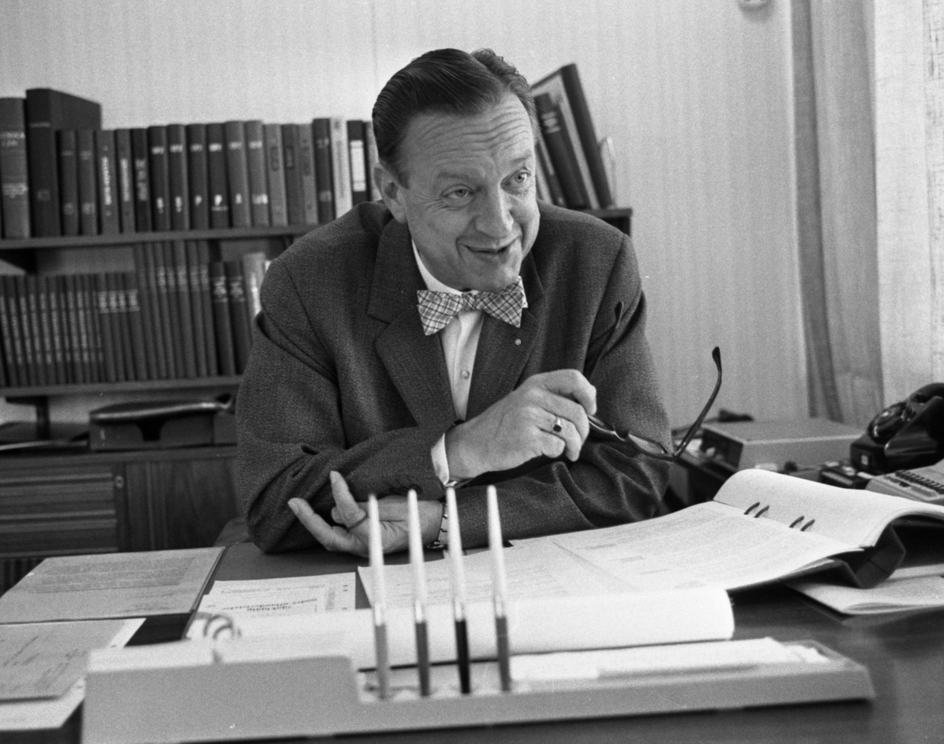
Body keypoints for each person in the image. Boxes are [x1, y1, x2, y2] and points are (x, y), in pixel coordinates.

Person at [235, 47, 670, 555]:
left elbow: (637, 474)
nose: (501, 224)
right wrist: (459, 450)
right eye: (461, 193)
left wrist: (444, 522)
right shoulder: (309, 282)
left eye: (518, 179)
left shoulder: (597, 262)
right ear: (392, 192)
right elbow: (277, 500)